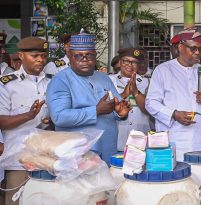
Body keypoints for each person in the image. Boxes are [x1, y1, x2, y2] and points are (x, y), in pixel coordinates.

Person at [46, 32, 131, 164]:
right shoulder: (61, 80)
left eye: (89, 55)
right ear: (70, 56)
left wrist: (120, 113)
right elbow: (59, 117)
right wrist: (96, 111)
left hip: (108, 151)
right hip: (79, 157)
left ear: (95, 56)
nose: (84, 59)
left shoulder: (103, 78)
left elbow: (116, 106)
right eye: (78, 55)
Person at [146, 28, 201, 161]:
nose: (197, 53)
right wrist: (174, 114)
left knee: (200, 174)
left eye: (200, 49)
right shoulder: (163, 70)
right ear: (180, 47)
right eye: (193, 49)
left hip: (199, 136)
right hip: (174, 136)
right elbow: (151, 103)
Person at [0, 37, 50, 205]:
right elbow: (1, 121)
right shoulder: (6, 84)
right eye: (35, 56)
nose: (40, 60)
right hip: (17, 160)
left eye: (43, 56)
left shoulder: (52, 82)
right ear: (21, 55)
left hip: (46, 158)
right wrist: (28, 116)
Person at [109, 48, 150, 151]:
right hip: (117, 136)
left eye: (134, 62)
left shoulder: (147, 82)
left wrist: (136, 92)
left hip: (140, 136)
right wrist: (124, 94)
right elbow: (105, 107)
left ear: (139, 64)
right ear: (120, 62)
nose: (129, 65)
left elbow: (149, 109)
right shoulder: (110, 80)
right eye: (126, 61)